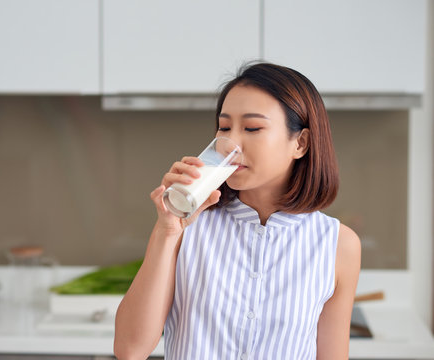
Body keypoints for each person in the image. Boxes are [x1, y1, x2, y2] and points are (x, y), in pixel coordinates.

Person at [114, 62, 361, 360]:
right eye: (225, 127)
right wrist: (166, 233)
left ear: (301, 143)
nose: (232, 143)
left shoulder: (338, 245)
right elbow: (129, 350)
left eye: (253, 128)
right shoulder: (187, 227)